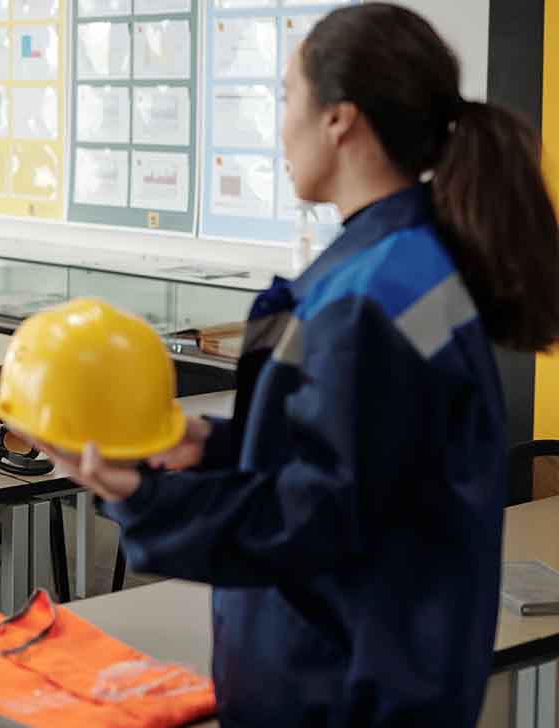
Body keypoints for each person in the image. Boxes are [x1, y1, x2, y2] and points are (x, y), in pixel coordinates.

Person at [34, 5, 559, 726]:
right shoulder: (416, 269)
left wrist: (139, 494)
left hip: (342, 690)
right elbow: (379, 460)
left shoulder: (366, 295)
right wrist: (212, 447)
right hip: (399, 667)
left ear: (340, 119)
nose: (280, 128)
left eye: (287, 98)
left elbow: (316, 519)